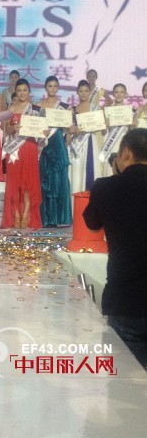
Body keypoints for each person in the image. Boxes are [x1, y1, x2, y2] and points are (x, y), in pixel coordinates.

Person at [83, 129, 147, 370]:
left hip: (125, 299)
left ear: (126, 153)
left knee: (125, 380)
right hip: (127, 299)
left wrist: (115, 177)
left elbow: (92, 224)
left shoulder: (105, 187)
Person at [0, 78, 42, 229]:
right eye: (19, 90)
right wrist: (13, 129)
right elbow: (6, 129)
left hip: (29, 147)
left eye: (25, 90)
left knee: (28, 184)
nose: (22, 93)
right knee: (14, 184)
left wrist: (44, 132)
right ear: (15, 92)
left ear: (29, 91)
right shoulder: (11, 109)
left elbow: (42, 129)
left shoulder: (36, 110)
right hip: (15, 150)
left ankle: (26, 214)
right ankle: (16, 215)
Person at [36, 76, 72, 227]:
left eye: (55, 86)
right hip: (45, 146)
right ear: (45, 87)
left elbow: (69, 130)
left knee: (59, 181)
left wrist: (71, 128)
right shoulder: (38, 106)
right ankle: (47, 218)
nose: (52, 88)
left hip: (58, 145)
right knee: (45, 181)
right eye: (50, 86)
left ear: (58, 88)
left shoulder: (65, 107)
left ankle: (60, 218)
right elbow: (34, 127)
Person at [68, 79, 104, 193]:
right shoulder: (72, 110)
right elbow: (69, 129)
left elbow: (102, 130)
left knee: (90, 169)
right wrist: (73, 131)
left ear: (89, 92)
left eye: (86, 91)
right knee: (77, 172)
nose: (83, 94)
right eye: (81, 91)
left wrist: (104, 124)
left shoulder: (95, 108)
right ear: (77, 92)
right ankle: (75, 200)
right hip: (76, 145)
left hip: (90, 142)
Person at [100, 83, 133, 177]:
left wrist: (132, 125)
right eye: (116, 92)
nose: (119, 95)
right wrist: (104, 126)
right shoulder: (107, 110)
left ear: (125, 94)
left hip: (125, 144)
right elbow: (103, 133)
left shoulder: (130, 111)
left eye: (122, 92)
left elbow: (131, 132)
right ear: (113, 94)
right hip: (111, 144)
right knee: (110, 171)